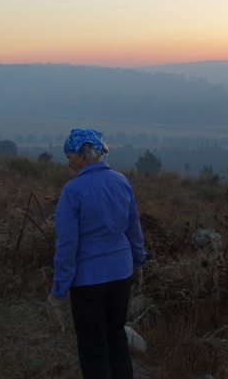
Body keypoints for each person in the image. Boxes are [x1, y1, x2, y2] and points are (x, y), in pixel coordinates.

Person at [47, 128, 146, 379]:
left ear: (82, 155)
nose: (68, 162)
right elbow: (133, 229)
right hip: (121, 274)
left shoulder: (73, 191)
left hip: (88, 280)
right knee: (116, 336)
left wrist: (59, 290)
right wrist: (138, 263)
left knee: (93, 347)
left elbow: (67, 245)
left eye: (69, 156)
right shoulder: (122, 182)